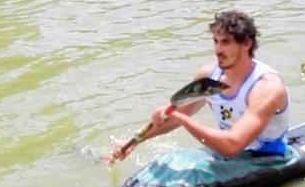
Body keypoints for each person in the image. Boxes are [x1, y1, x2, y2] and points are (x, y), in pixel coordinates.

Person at [110, 10, 290, 161]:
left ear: (246, 44)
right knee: (167, 163)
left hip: (266, 159)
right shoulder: (208, 77)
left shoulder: (266, 88)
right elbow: (177, 116)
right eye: (216, 41)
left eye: (226, 42)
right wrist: (133, 142)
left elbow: (232, 146)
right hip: (229, 158)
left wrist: (181, 119)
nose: (218, 50)